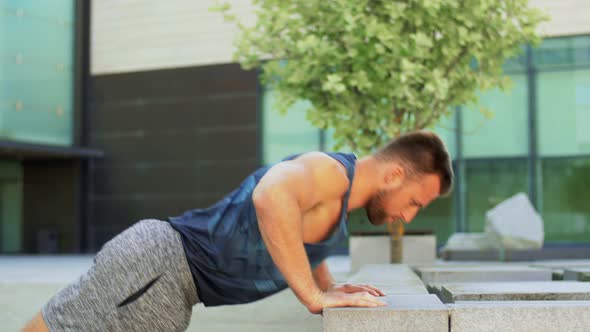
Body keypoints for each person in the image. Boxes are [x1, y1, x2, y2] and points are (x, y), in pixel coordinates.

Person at [23, 130, 453, 332]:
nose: (409, 216)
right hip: (160, 269)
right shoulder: (332, 172)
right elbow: (271, 197)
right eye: (416, 202)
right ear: (396, 174)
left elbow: (300, 237)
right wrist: (313, 296)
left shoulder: (336, 196)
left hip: (171, 285)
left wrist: (330, 286)